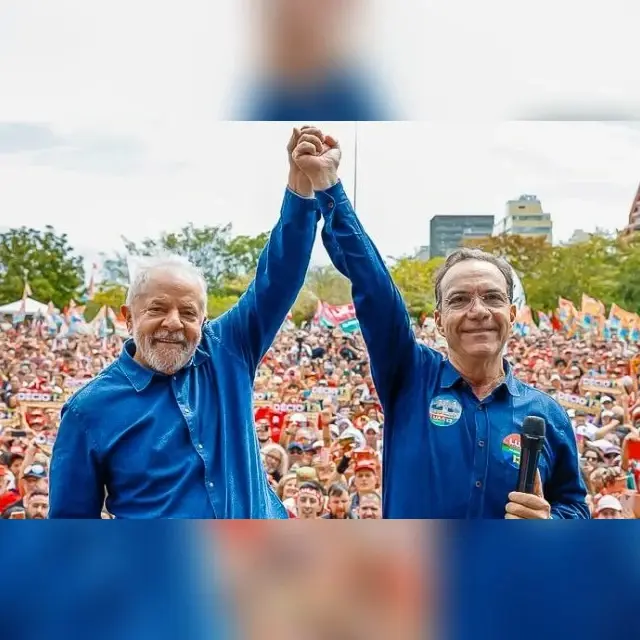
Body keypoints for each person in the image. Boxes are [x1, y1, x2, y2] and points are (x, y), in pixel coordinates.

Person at [291, 127, 589, 519]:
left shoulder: (547, 415)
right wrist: (329, 185)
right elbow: (375, 288)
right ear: (438, 320)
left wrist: (549, 524)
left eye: (492, 297)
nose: (478, 311)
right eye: (459, 300)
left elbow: (575, 506)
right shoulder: (410, 377)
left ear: (512, 313)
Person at [49, 128, 324, 518]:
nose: (174, 323)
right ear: (128, 318)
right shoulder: (88, 412)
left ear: (204, 320)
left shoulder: (228, 351)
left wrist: (300, 184)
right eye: (157, 309)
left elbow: (277, 278)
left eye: (189, 313)